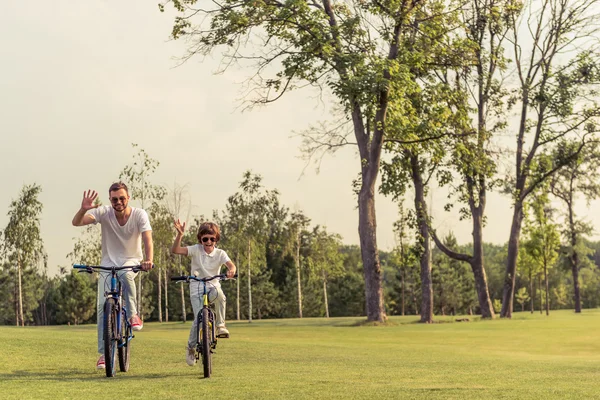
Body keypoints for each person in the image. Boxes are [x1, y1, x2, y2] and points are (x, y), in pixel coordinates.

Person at [72, 182, 153, 370]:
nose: (119, 202)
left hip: (131, 261)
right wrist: (83, 209)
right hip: (108, 265)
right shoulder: (104, 212)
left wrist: (149, 259)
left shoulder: (139, 215)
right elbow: (77, 222)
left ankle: (132, 314)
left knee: (125, 274)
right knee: (102, 306)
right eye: (115, 199)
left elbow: (148, 238)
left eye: (122, 198)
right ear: (110, 200)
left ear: (128, 198)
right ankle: (103, 353)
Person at [171, 220, 236, 366]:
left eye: (212, 238)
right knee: (198, 319)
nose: (208, 242)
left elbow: (231, 265)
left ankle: (220, 326)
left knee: (221, 295)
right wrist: (179, 235)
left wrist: (231, 271)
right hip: (197, 287)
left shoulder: (220, 253)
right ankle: (191, 348)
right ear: (200, 239)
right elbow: (176, 250)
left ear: (216, 239)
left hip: (212, 286)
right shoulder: (195, 250)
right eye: (205, 238)